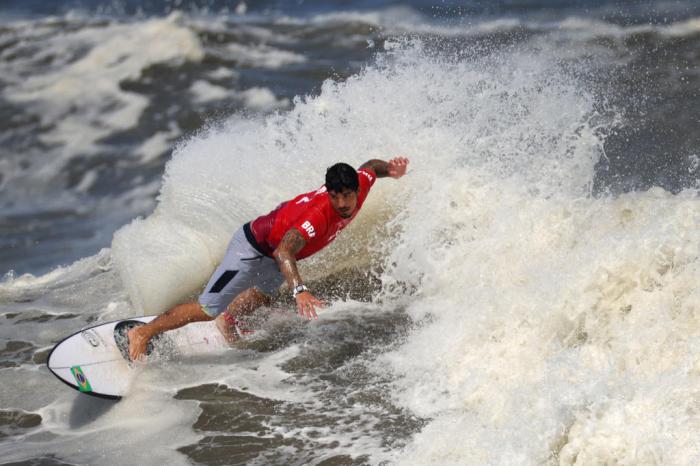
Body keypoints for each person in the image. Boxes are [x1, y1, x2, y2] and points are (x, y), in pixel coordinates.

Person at [128, 157, 409, 360]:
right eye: (335, 197)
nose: (342, 204)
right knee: (206, 308)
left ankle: (228, 322)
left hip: (273, 251)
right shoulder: (316, 217)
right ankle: (144, 332)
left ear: (357, 190)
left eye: (347, 196)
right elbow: (283, 252)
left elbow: (371, 166)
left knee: (262, 297)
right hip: (251, 249)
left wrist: (390, 170)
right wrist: (300, 290)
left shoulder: (362, 182)